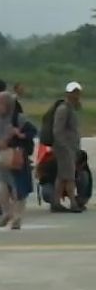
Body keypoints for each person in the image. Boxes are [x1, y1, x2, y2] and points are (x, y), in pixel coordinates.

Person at [0, 91, 36, 230]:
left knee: (19, 189)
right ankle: (7, 212)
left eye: (1, 104)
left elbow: (33, 132)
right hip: (1, 159)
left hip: (18, 158)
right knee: (0, 186)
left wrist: (20, 134)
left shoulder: (19, 119)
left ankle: (17, 217)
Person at [51, 82, 84, 213]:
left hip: (70, 147)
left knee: (63, 176)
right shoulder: (63, 109)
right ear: (67, 93)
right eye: (73, 92)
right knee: (69, 176)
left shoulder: (72, 108)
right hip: (64, 148)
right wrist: (65, 147)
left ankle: (56, 202)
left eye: (77, 92)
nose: (76, 95)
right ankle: (73, 203)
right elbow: (57, 130)